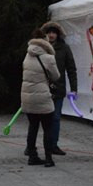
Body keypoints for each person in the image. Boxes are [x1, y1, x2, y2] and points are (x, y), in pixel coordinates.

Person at [21, 28, 61, 167]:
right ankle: (49, 158)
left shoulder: (27, 55)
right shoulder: (49, 58)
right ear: (45, 41)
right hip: (43, 97)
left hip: (27, 97)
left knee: (33, 127)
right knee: (47, 128)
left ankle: (32, 156)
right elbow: (56, 76)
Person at [40, 22, 77, 157]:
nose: (51, 35)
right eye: (49, 32)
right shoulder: (40, 48)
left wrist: (74, 89)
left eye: (54, 32)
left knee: (55, 118)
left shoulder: (64, 48)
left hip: (58, 88)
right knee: (37, 118)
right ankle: (30, 146)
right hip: (42, 88)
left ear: (58, 34)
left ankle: (53, 145)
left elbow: (71, 69)